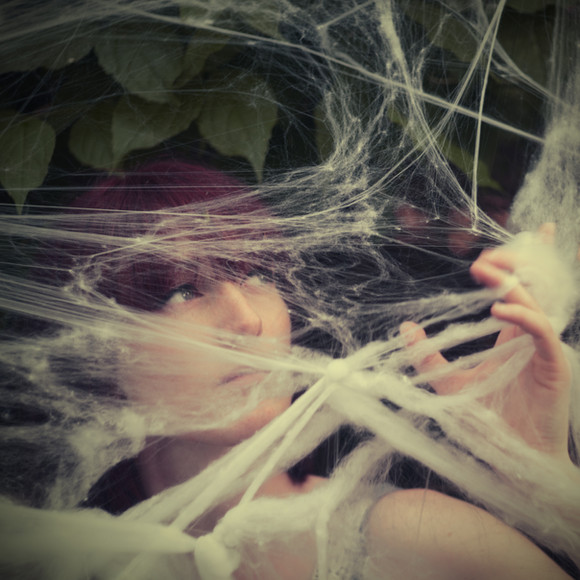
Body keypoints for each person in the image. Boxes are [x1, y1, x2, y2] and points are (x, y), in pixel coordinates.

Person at [10, 159, 580, 579]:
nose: (247, 320)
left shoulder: (410, 540)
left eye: (259, 276)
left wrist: (545, 478)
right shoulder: (57, 559)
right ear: (95, 349)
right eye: (182, 291)